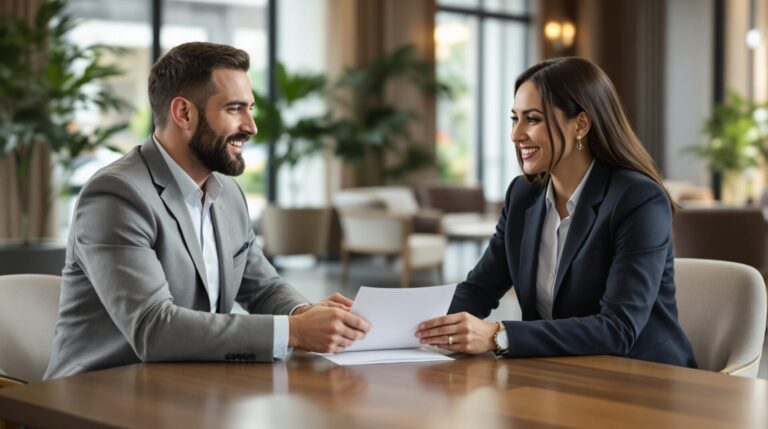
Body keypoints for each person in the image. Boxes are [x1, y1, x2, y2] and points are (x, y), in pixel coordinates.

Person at [44, 42, 370, 379]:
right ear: (184, 113)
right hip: (98, 393)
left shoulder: (227, 193)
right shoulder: (117, 195)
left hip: (188, 388)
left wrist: (306, 313)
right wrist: (295, 330)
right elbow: (153, 329)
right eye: (234, 109)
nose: (251, 126)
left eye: (250, 108)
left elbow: (263, 288)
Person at [416, 57, 696, 368]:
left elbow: (619, 328)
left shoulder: (638, 199)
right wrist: (410, 327)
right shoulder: (523, 195)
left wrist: (499, 336)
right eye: (515, 119)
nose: (516, 134)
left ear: (581, 125)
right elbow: (479, 290)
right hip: (558, 374)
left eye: (532, 119)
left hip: (643, 379)